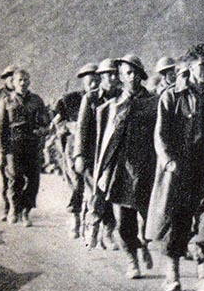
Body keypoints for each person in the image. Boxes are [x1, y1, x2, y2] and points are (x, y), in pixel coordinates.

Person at [147, 44, 204, 291]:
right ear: (189, 67)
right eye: (203, 66)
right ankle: (172, 275)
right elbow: (161, 134)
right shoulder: (172, 96)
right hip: (179, 169)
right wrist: (168, 161)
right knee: (175, 222)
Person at [94, 55, 156, 278]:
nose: (131, 78)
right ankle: (132, 260)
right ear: (121, 77)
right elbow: (107, 140)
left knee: (150, 217)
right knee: (123, 221)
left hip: (148, 168)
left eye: (134, 73)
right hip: (122, 170)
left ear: (141, 75)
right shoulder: (113, 106)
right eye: (126, 73)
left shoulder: (154, 102)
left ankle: (144, 244)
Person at [74, 58, 120, 250]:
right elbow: (82, 129)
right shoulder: (91, 99)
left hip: (115, 156)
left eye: (115, 74)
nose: (112, 78)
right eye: (107, 74)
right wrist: (79, 155)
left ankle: (107, 233)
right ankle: (91, 228)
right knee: (95, 193)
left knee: (112, 194)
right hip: (94, 156)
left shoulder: (122, 97)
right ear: (100, 77)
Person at [0, 69, 50, 226]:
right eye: (20, 80)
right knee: (14, 178)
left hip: (32, 144)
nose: (23, 83)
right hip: (13, 146)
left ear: (29, 81)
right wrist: (0, 151)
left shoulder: (37, 101)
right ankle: (13, 208)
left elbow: (46, 123)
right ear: (14, 82)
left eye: (26, 80)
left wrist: (42, 131)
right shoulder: (6, 101)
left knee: (34, 180)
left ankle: (26, 211)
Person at [53, 63, 99, 238]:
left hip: (94, 148)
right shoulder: (70, 100)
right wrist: (69, 126)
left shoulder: (101, 98)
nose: (94, 84)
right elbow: (57, 123)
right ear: (83, 81)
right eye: (90, 81)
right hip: (73, 147)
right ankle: (75, 218)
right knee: (76, 184)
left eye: (97, 80)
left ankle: (91, 223)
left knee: (93, 186)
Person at [0, 65, 16, 221]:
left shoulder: (21, 94)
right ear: (5, 78)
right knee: (6, 176)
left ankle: (17, 207)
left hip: (20, 141)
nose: (12, 79)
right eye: (9, 76)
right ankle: (7, 208)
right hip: (3, 139)